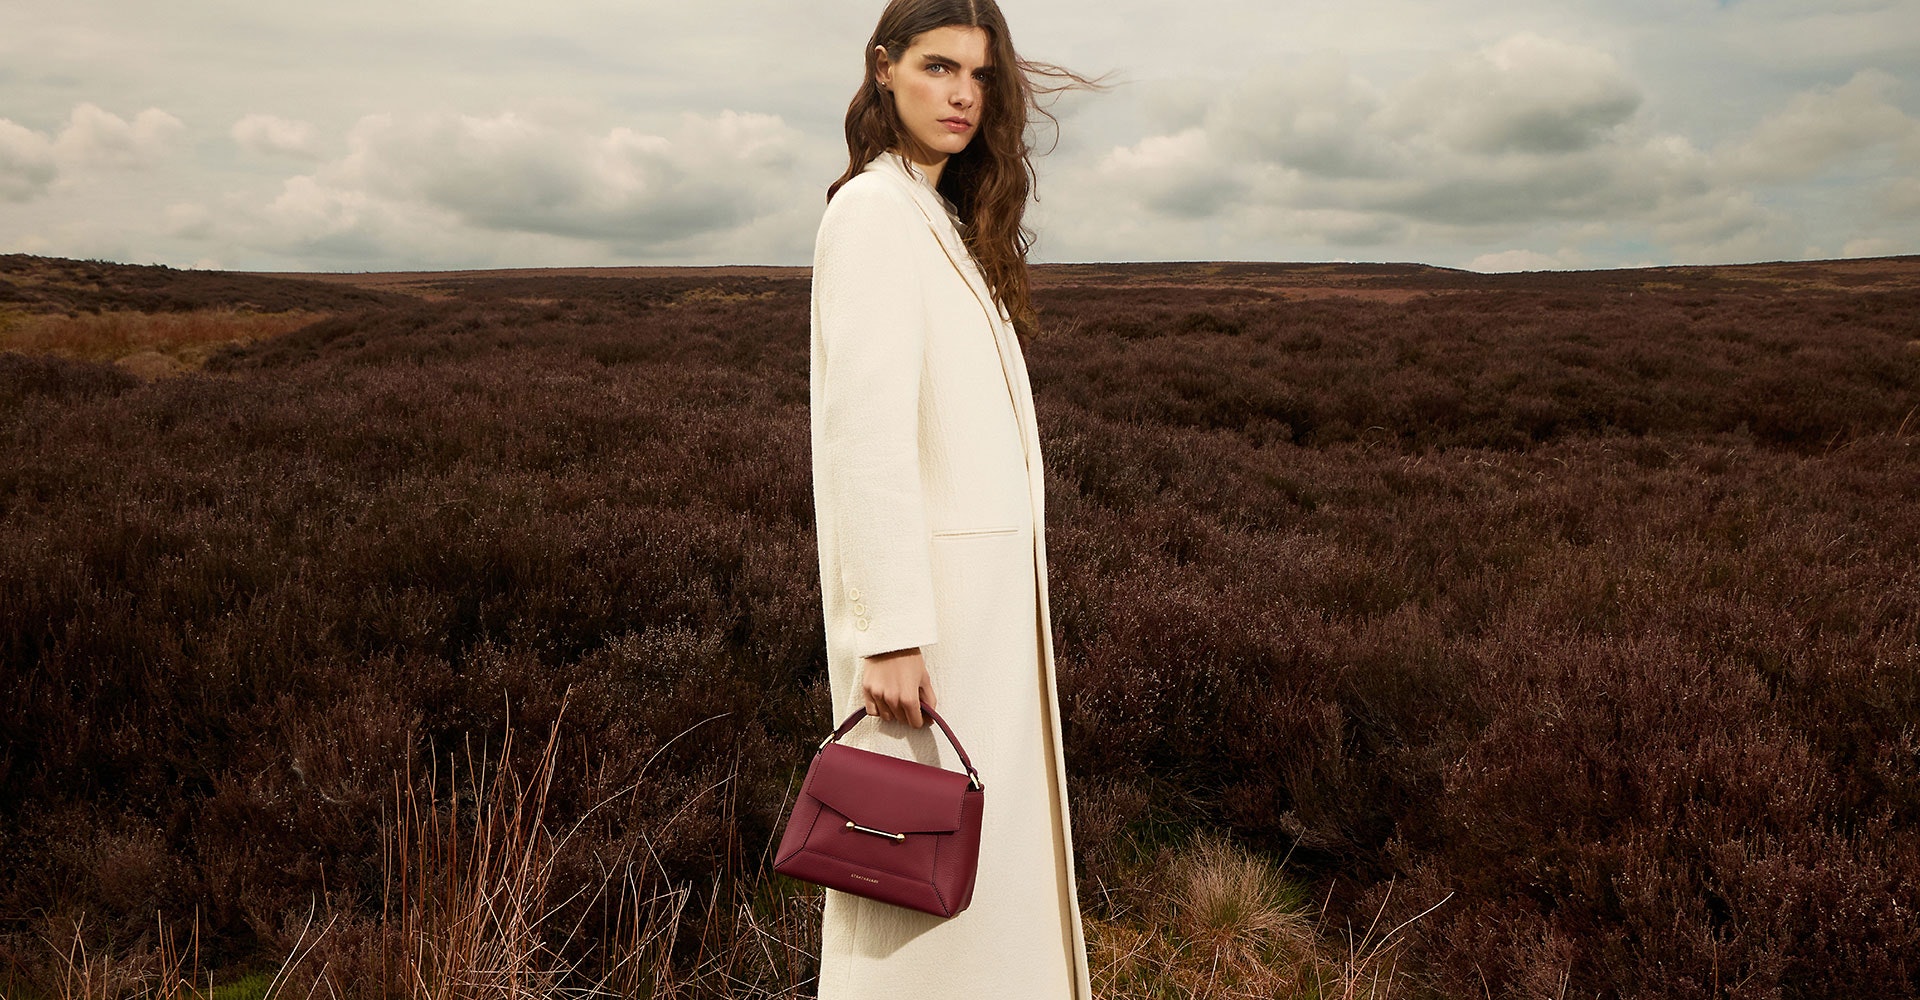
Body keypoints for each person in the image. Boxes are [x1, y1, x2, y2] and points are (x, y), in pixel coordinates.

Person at [806, 1, 1107, 996]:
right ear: (883, 69)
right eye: (938, 68)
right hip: (929, 632)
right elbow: (868, 434)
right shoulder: (872, 213)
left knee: (975, 887)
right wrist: (889, 627)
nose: (963, 95)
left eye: (979, 76)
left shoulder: (934, 213)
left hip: (973, 616)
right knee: (913, 898)